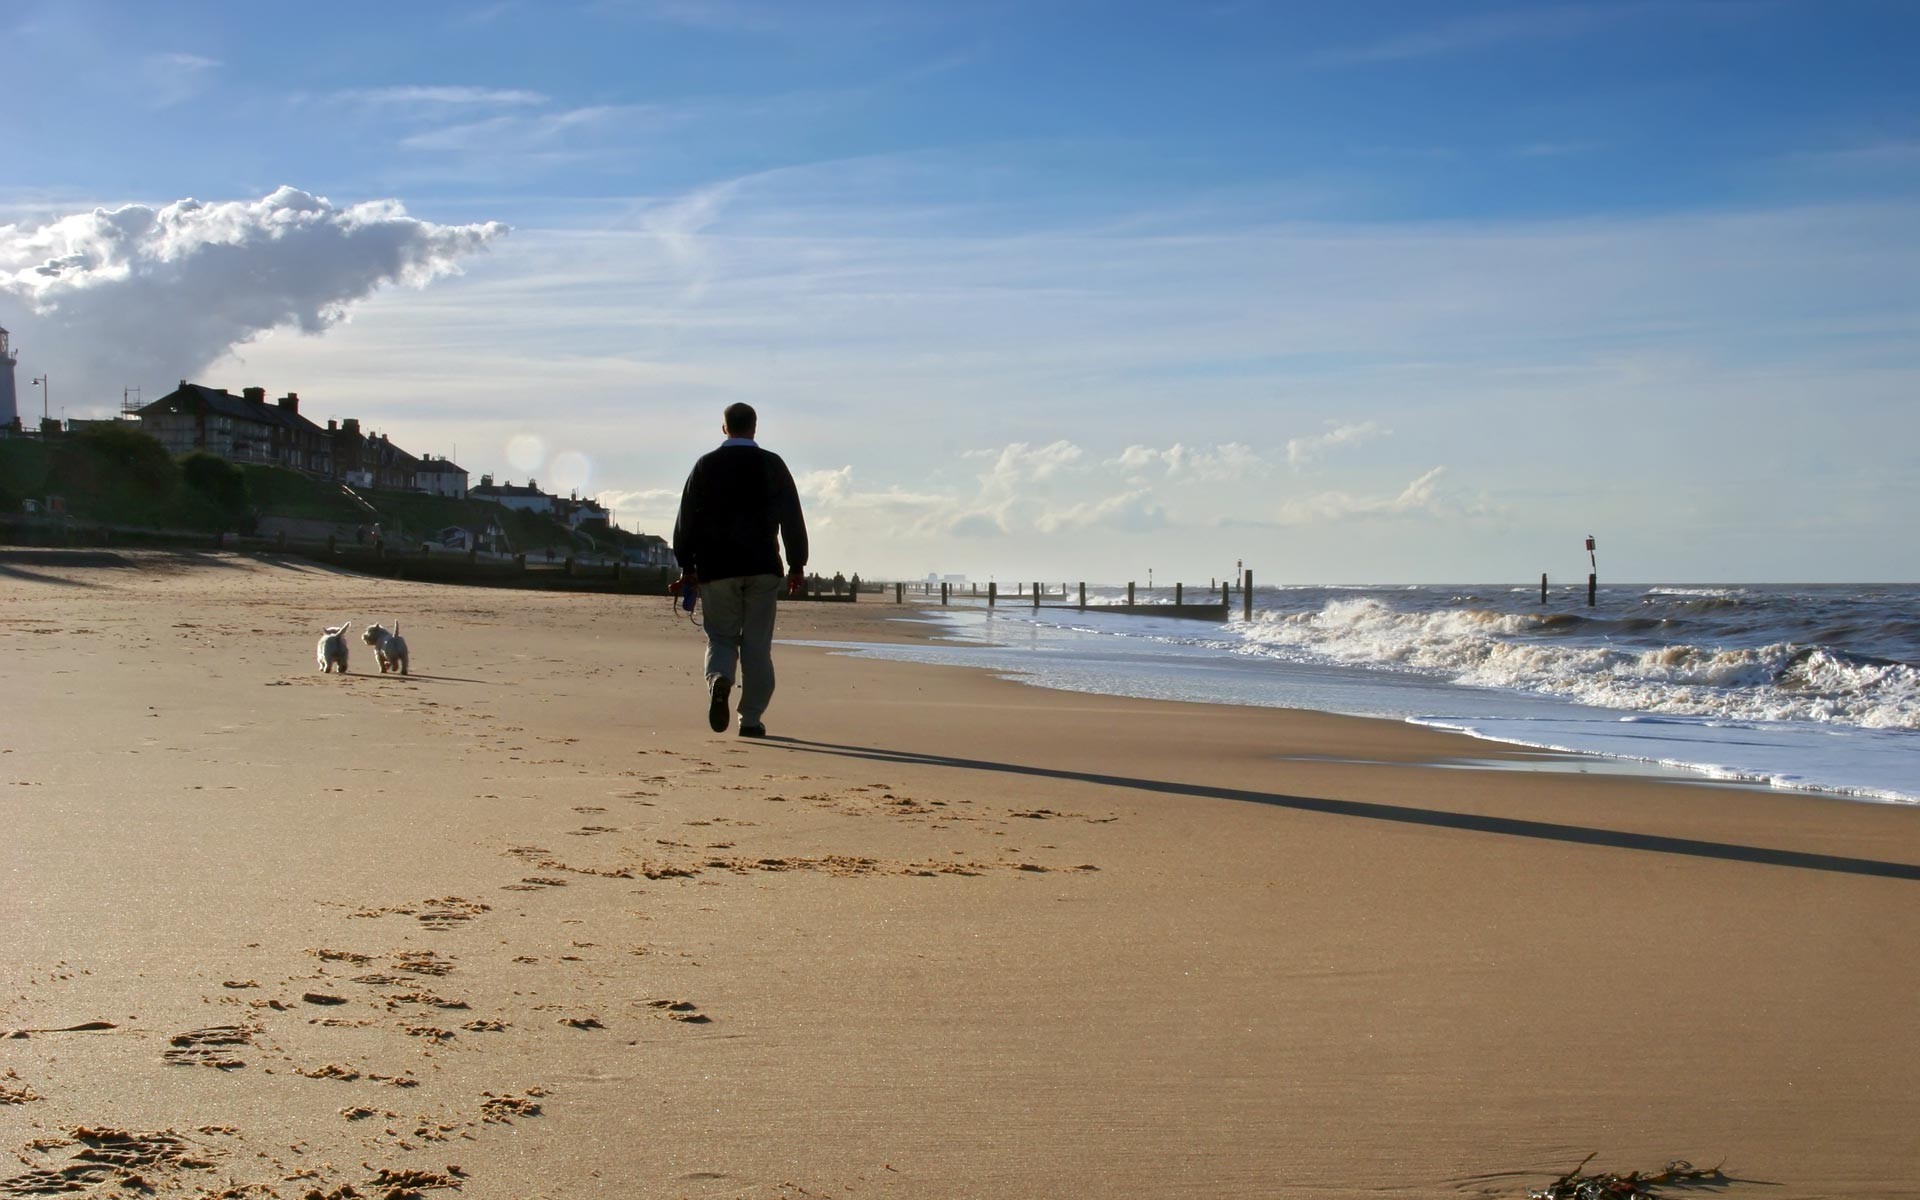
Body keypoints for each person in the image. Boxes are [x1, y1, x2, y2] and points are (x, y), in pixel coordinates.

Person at [672, 403, 808, 738]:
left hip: (717, 568)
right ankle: (750, 719)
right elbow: (792, 515)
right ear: (755, 427)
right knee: (757, 645)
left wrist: (687, 565)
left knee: (721, 636)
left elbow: (686, 519)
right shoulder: (772, 464)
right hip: (762, 566)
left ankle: (720, 678)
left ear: (724, 428)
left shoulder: (706, 466)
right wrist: (796, 565)